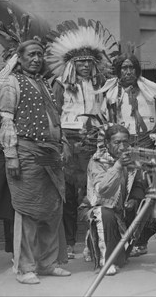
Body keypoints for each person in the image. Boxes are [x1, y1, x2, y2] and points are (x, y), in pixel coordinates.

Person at [97, 53, 156, 259]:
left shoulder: (150, 91)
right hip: (124, 153)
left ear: (137, 70)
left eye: (132, 68)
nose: (128, 72)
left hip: (149, 148)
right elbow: (105, 125)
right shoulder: (110, 94)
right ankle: (138, 242)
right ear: (118, 70)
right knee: (133, 198)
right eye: (124, 68)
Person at [0, 39, 71, 284]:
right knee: (28, 210)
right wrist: (11, 156)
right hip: (25, 151)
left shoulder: (44, 83)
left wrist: (63, 143)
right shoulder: (12, 83)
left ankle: (48, 263)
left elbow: (55, 118)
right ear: (20, 57)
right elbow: (6, 120)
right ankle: (25, 268)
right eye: (31, 55)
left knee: (52, 209)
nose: (36, 59)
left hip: (50, 153)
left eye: (40, 54)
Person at [48, 20, 112, 261]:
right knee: (68, 194)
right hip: (68, 141)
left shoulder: (101, 85)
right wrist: (62, 141)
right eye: (81, 62)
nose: (85, 66)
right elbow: (54, 116)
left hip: (93, 141)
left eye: (89, 62)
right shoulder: (61, 85)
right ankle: (68, 243)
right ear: (72, 64)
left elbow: (107, 113)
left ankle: (91, 243)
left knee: (91, 193)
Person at [85, 124, 145, 276]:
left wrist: (134, 199)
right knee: (105, 214)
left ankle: (120, 247)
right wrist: (118, 166)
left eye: (125, 142)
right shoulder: (97, 162)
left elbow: (138, 184)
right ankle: (102, 257)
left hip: (122, 210)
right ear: (107, 144)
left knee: (146, 208)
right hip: (101, 210)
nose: (122, 146)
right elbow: (103, 191)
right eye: (117, 142)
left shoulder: (131, 159)